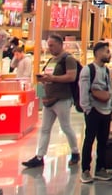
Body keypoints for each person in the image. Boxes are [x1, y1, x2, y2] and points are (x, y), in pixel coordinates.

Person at [22, 34, 83, 169]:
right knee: (45, 129)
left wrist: (53, 78)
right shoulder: (51, 60)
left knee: (65, 126)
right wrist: (42, 87)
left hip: (62, 98)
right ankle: (39, 156)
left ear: (60, 44)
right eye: (48, 45)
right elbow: (47, 78)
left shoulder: (68, 59)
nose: (49, 48)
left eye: (52, 45)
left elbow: (71, 77)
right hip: (48, 100)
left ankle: (75, 152)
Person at [78, 40, 112, 182]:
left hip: (106, 110)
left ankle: (101, 168)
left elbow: (110, 89)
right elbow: (83, 91)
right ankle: (85, 170)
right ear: (98, 53)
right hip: (93, 110)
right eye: (107, 51)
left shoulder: (107, 70)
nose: (109, 54)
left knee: (103, 140)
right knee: (89, 139)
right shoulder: (88, 70)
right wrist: (87, 109)